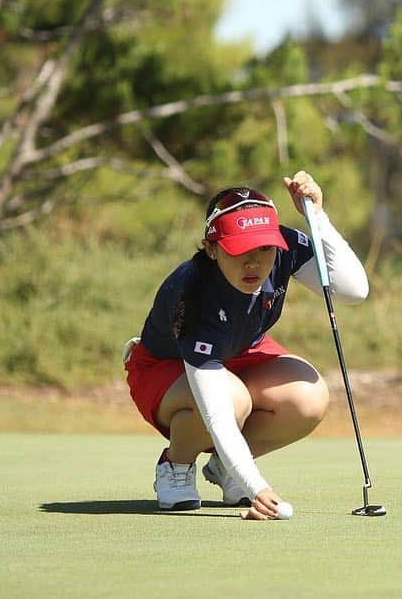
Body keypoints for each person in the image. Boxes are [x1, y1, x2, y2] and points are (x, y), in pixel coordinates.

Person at [123, 171, 368, 520]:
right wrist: (257, 488)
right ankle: (175, 464)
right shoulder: (193, 295)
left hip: (237, 355)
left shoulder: (282, 249)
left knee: (308, 398)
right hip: (167, 369)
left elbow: (353, 290)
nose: (254, 263)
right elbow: (218, 411)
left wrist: (317, 216)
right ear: (212, 248)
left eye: (264, 249)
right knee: (233, 400)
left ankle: (225, 467)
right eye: (239, 250)